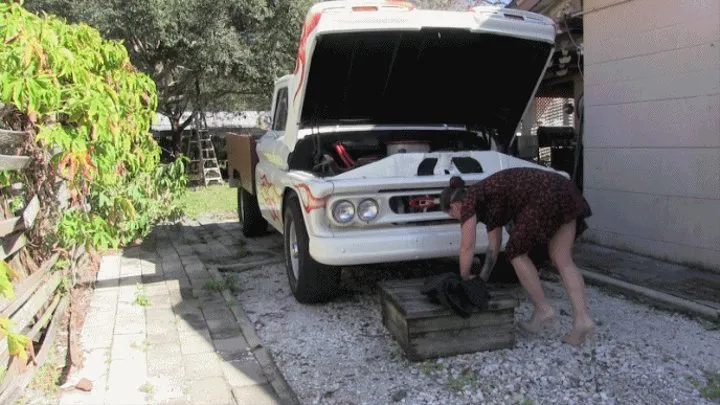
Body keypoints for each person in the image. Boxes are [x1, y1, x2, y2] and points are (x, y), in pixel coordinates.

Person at [439, 167, 594, 345]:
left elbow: (467, 246)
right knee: (563, 259)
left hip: (543, 196)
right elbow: (494, 246)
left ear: (455, 206)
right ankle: (582, 320)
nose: (458, 220)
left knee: (516, 252)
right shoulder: (486, 197)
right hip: (563, 189)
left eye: (453, 216)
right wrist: (482, 278)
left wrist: (464, 279)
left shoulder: (468, 202)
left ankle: (543, 310)